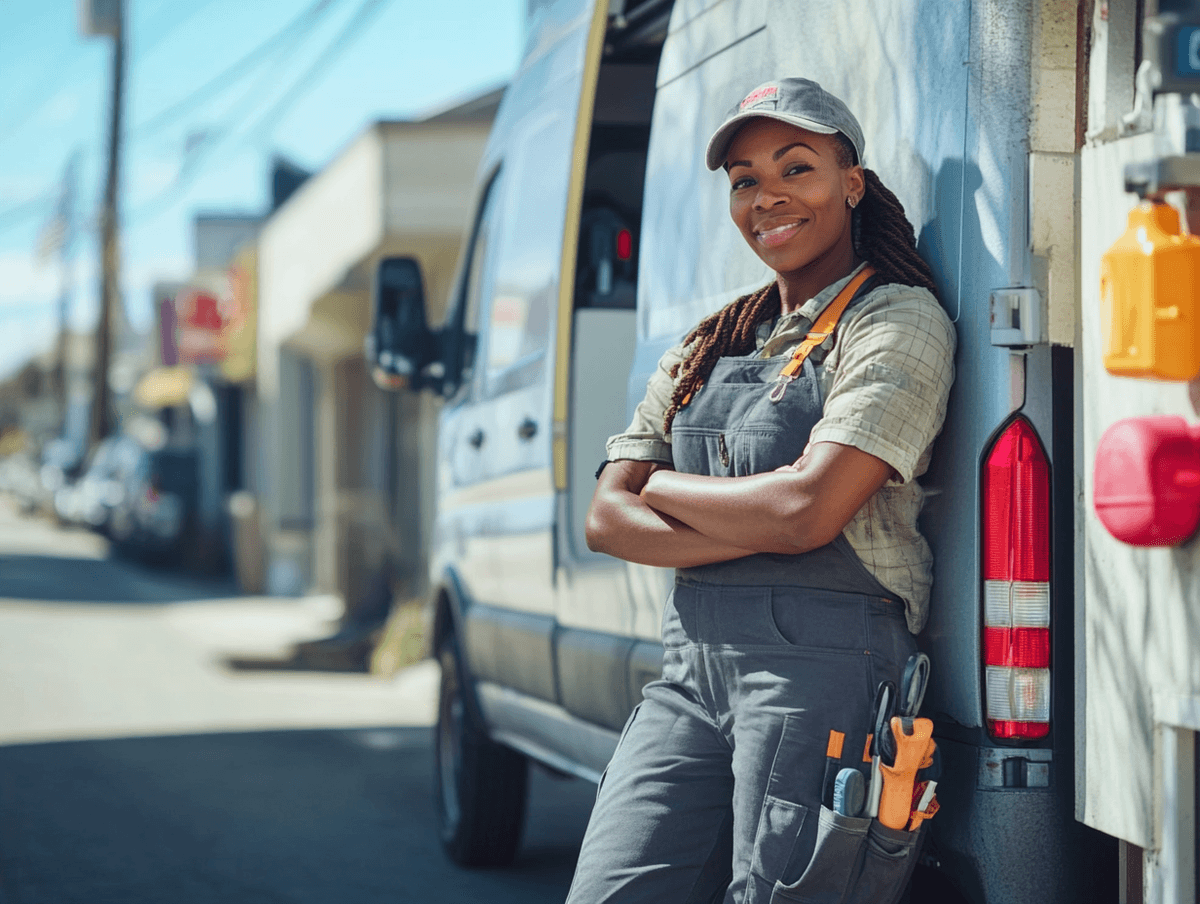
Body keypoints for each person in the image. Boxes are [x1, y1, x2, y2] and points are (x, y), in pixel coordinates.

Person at [566, 78, 956, 904]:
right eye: (745, 179)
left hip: (820, 668)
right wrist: (781, 520)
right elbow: (605, 517)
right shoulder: (708, 345)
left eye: (797, 168)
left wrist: (664, 487)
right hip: (690, 669)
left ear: (852, 183)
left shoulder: (896, 321)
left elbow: (810, 507)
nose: (767, 196)